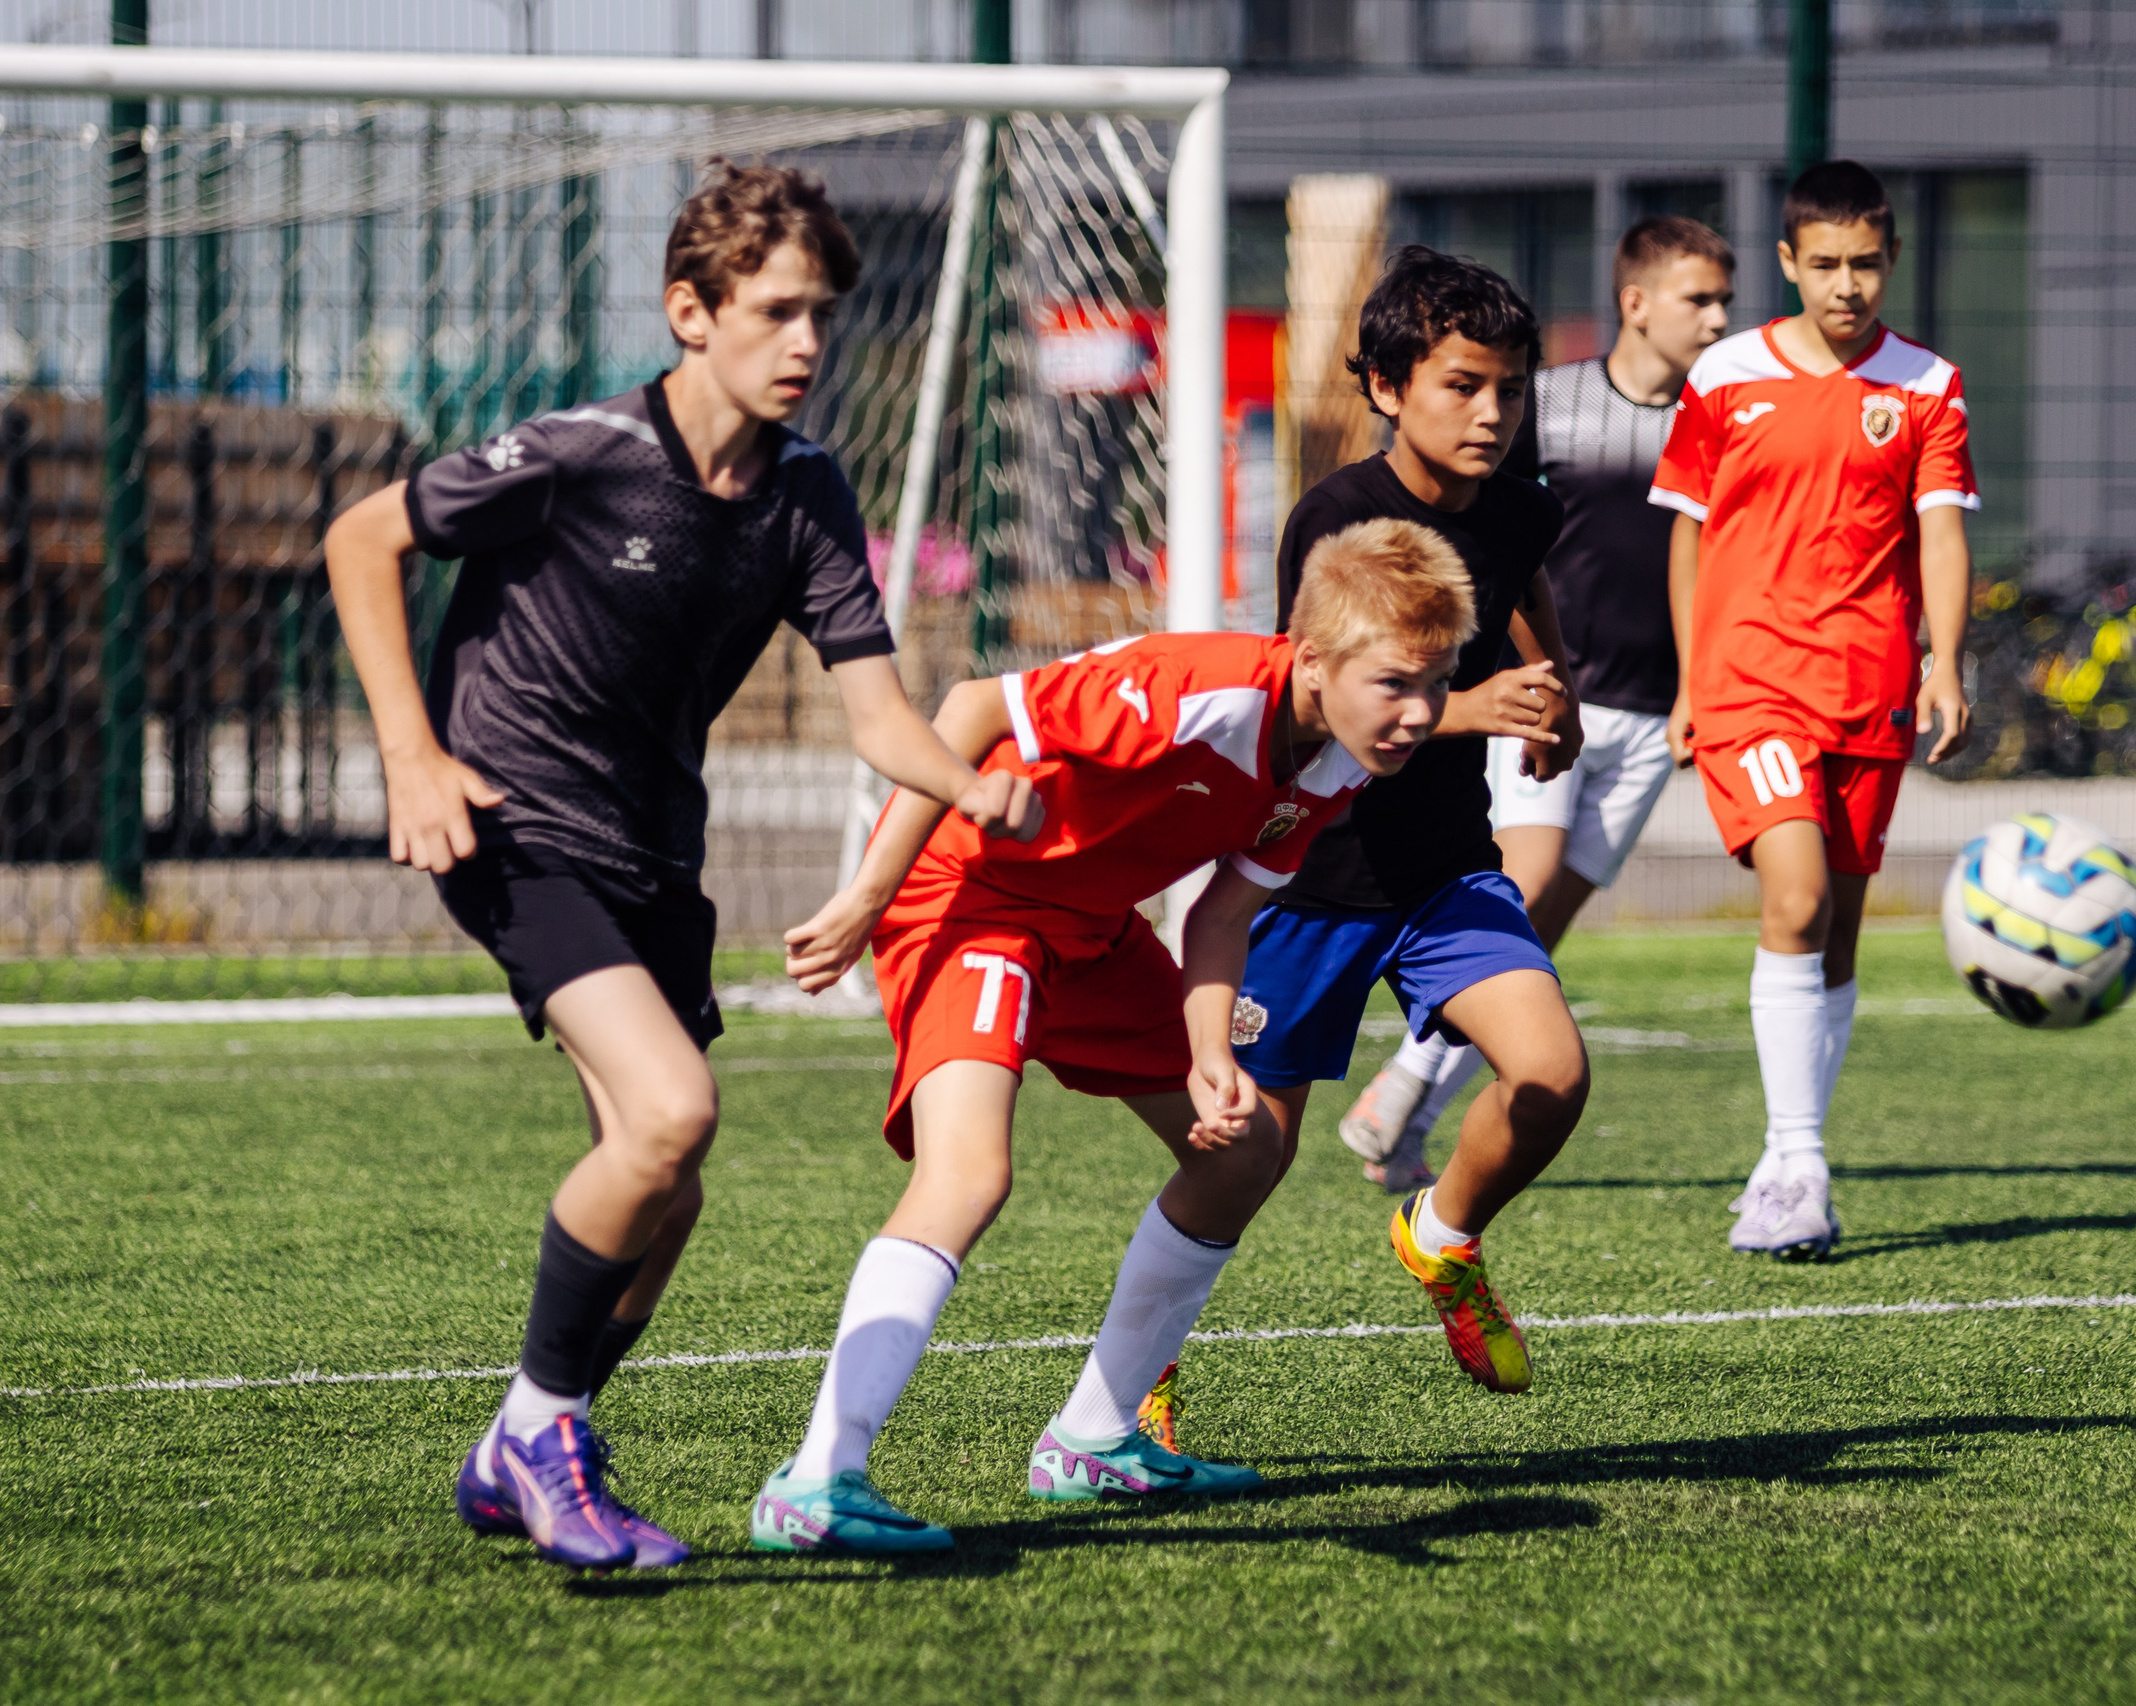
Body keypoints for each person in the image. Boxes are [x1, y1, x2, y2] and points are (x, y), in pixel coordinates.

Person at [324, 163, 1039, 1572]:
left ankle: (522, 1441)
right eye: (776, 312)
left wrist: (975, 788)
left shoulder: (809, 496)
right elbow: (364, 535)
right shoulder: (583, 451)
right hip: (512, 823)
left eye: (821, 315)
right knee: (668, 1112)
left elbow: (882, 714)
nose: (807, 345)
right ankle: (539, 1430)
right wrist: (410, 753)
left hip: (653, 854)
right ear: (689, 313)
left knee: (669, 1183)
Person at [748, 519, 1478, 1554]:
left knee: (1245, 1150)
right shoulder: (1198, 691)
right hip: (972, 900)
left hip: (1093, 933)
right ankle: (817, 1477)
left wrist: (1210, 1050)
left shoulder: (1337, 763)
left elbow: (1221, 914)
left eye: (1439, 684)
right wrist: (867, 894)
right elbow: (970, 710)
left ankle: (1094, 1438)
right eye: (1397, 682)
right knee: (968, 1175)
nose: (1418, 714)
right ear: (1313, 658)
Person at [1143, 248, 1589, 1424]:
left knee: (1550, 1075)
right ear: (1390, 387)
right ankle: (1136, 1373)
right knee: (1246, 1155)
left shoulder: (1520, 503)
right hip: (1311, 872)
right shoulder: (1336, 520)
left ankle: (1441, 1235)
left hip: (1445, 870)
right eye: (1460, 385)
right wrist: (1468, 707)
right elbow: (1320, 699)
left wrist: (1556, 696)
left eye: (1507, 386)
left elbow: (1524, 588)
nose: (1490, 412)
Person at [1340, 216, 1736, 1188]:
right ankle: (1399, 1085)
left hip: (1652, 709)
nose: (1719, 320)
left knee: (1543, 923)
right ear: (1635, 301)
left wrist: (1699, 686)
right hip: (1550, 700)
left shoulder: (1721, 417)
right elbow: (1505, 555)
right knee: (1525, 877)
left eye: (1724, 300)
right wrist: (1533, 683)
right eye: (1700, 300)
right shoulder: (1541, 407)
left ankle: (1410, 1105)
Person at [1647, 160, 1976, 1262]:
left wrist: (1944, 662)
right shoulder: (1726, 375)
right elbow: (1688, 533)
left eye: (1867, 264)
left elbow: (1939, 530)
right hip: (1752, 683)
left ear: (1891, 261)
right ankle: (1799, 1163)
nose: (1848, 286)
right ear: (1787, 262)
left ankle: (1789, 1158)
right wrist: (1693, 679)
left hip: (1867, 686)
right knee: (1790, 901)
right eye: (1825, 264)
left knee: (1833, 932)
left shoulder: (1928, 384)